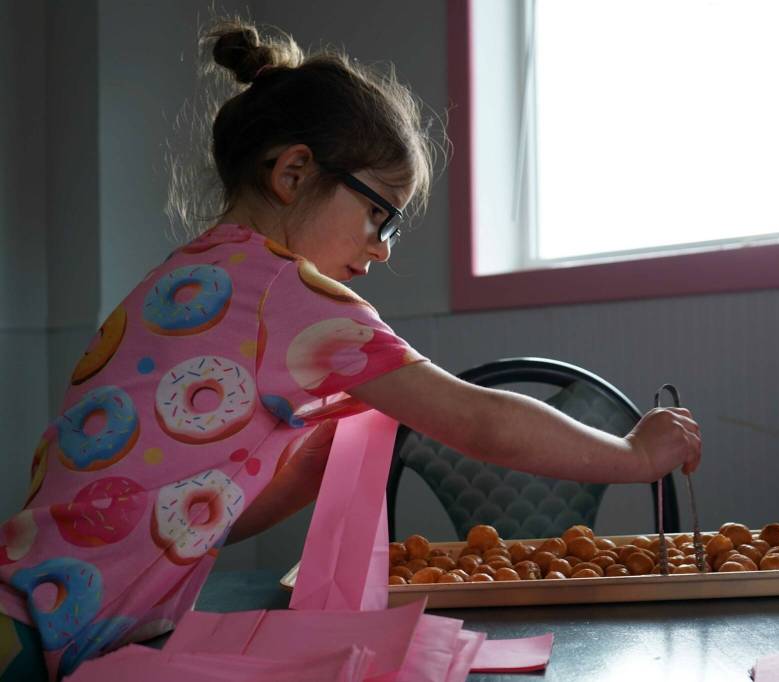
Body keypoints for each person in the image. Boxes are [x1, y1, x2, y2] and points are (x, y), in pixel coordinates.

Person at [0, 18, 701, 681]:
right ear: (295, 173)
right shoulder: (289, 292)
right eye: (378, 213)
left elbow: (194, 517)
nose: (380, 249)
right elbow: (475, 420)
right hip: (37, 627)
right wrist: (633, 455)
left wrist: (305, 471)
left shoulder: (186, 281)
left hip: (34, 606)